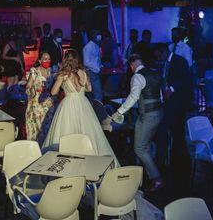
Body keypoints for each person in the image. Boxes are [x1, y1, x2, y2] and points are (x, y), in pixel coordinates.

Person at [42, 50, 118, 164]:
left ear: (66, 59)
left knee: (66, 133)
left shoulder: (63, 74)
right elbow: (89, 89)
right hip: (83, 103)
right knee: (89, 133)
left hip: (68, 104)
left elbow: (53, 92)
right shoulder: (84, 72)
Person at [111, 55, 164, 191]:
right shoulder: (154, 73)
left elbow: (133, 96)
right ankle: (148, 173)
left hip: (147, 116)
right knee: (145, 146)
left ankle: (156, 179)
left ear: (131, 65)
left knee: (139, 148)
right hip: (159, 113)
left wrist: (120, 112)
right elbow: (161, 96)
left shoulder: (137, 76)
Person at [154, 43, 194, 167]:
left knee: (178, 133)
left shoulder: (179, 61)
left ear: (164, 51)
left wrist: (171, 89)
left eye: (158, 56)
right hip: (169, 103)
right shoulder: (165, 63)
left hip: (179, 102)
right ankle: (175, 160)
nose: (158, 59)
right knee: (171, 131)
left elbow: (186, 80)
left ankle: (181, 162)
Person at [25, 52, 55, 143]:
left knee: (48, 127)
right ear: (40, 60)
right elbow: (28, 86)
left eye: (49, 59)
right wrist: (31, 90)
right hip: (37, 103)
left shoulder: (52, 71)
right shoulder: (35, 71)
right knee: (38, 127)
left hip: (49, 103)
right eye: (45, 59)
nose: (47, 61)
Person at [82, 29, 103, 101]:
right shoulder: (88, 47)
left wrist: (101, 66)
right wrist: (97, 68)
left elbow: (96, 59)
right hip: (91, 72)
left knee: (95, 94)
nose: (100, 36)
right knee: (98, 95)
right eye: (98, 34)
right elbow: (86, 62)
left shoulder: (96, 46)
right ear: (93, 36)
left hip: (96, 72)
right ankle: (97, 111)